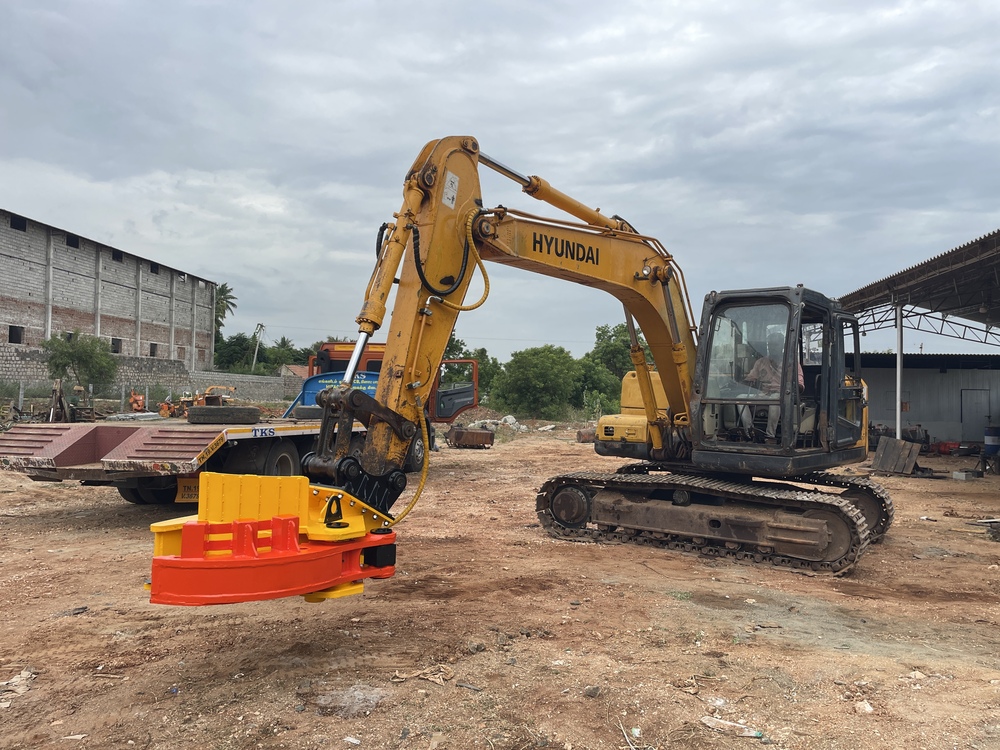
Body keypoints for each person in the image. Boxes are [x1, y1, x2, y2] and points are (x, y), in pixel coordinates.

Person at [743, 332, 804, 439]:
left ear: (782, 345)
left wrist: (791, 387)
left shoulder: (791, 363)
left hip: (782, 396)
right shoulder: (761, 362)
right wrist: (746, 381)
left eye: (775, 344)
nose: (772, 347)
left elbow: (800, 384)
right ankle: (749, 431)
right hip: (762, 395)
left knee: (776, 398)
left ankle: (770, 436)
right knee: (739, 399)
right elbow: (750, 378)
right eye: (770, 344)